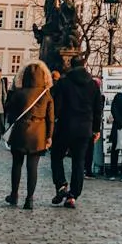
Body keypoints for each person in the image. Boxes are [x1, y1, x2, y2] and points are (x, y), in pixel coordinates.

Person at [49, 55, 103, 209]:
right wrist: (96, 129)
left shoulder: (63, 83)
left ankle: (61, 185)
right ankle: (72, 197)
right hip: (84, 129)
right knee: (79, 163)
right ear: (84, 65)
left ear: (70, 66)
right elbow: (97, 109)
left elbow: (57, 107)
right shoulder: (93, 85)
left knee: (56, 156)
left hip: (65, 127)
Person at [3, 60, 55, 209]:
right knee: (33, 167)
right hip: (38, 133)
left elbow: (9, 111)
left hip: (20, 130)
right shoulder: (46, 94)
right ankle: (29, 199)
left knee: (17, 165)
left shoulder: (19, 93)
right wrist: (49, 136)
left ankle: (14, 195)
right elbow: (51, 118)